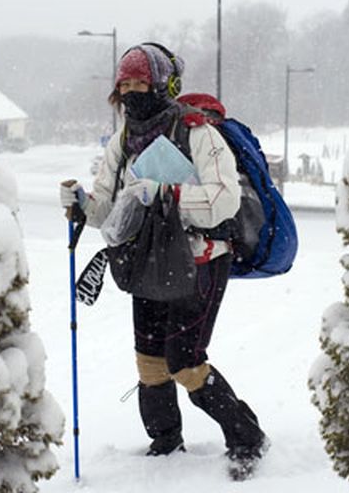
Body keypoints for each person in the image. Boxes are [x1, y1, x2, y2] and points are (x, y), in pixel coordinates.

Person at [59, 43, 268, 480]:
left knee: (185, 363)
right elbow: (106, 209)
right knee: (150, 360)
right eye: (125, 84)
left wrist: (168, 194)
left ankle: (247, 437)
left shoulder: (197, 132)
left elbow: (223, 201)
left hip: (202, 260)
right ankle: (166, 439)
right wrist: (82, 204)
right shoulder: (124, 139)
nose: (133, 91)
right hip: (147, 258)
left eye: (141, 82)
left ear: (161, 84)